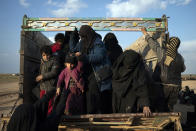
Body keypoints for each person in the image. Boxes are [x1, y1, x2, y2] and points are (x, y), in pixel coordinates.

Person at [69, 25, 112, 114]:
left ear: (88, 34)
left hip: (96, 73)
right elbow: (73, 49)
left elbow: (99, 56)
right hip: (86, 73)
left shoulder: (97, 42)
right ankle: (90, 115)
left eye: (83, 36)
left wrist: (84, 57)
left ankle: (95, 117)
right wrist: (73, 35)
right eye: (80, 36)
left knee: (94, 97)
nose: (82, 38)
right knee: (87, 96)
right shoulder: (82, 42)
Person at [141, 27, 186, 111]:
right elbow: (183, 69)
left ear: (169, 44)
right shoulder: (180, 58)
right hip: (176, 87)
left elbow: (153, 44)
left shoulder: (163, 53)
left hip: (163, 86)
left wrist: (145, 33)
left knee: (159, 109)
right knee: (169, 109)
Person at [112, 50, 151, 117]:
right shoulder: (118, 70)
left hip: (129, 102)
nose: (128, 69)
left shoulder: (137, 69)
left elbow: (141, 85)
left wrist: (145, 105)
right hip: (119, 102)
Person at [36, 45, 60, 114]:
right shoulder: (42, 62)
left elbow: (54, 72)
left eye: (47, 55)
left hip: (50, 88)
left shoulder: (55, 61)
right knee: (42, 105)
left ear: (50, 54)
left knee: (49, 107)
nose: (46, 57)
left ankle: (48, 121)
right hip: (42, 87)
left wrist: (42, 76)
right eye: (43, 55)